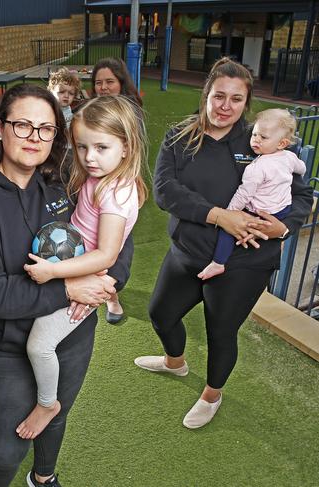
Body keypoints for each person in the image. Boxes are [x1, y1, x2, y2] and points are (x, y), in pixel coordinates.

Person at [0, 84, 134, 487]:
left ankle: (43, 477)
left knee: (57, 414)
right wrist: (68, 289)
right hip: (7, 344)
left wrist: (107, 280)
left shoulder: (66, 182)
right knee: (6, 448)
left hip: (72, 332)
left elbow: (119, 242)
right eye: (22, 125)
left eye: (46, 128)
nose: (34, 137)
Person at [135, 58, 313, 429]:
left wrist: (282, 227)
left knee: (220, 332)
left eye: (235, 99)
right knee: (161, 314)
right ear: (206, 95)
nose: (224, 106)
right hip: (188, 251)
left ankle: (211, 394)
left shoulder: (260, 142)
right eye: (219, 96)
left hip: (245, 261)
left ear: (245, 104)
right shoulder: (180, 135)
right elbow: (166, 192)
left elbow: (301, 195)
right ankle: (175, 362)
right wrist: (220, 215)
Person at [18, 95, 148, 440]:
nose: (90, 157)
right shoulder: (102, 178)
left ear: (126, 146)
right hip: (77, 270)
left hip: (84, 276)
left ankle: (48, 403)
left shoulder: (116, 193)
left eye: (101, 147)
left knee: (39, 346)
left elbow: (107, 254)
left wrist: (54, 272)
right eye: (82, 147)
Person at [198, 108, 306, 280]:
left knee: (227, 231)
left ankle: (218, 263)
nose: (256, 140)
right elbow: (302, 168)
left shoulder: (256, 168)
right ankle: (276, 244)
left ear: (282, 143)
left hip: (258, 212)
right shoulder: (289, 158)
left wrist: (230, 213)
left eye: (263, 137)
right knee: (270, 233)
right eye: (254, 134)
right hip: (282, 211)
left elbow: (244, 194)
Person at [89, 57, 143, 323]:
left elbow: (134, 154)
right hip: (90, 184)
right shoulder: (88, 111)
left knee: (117, 238)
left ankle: (111, 294)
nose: (104, 87)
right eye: (98, 82)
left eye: (110, 81)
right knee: (90, 236)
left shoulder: (130, 113)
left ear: (121, 83)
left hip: (117, 182)